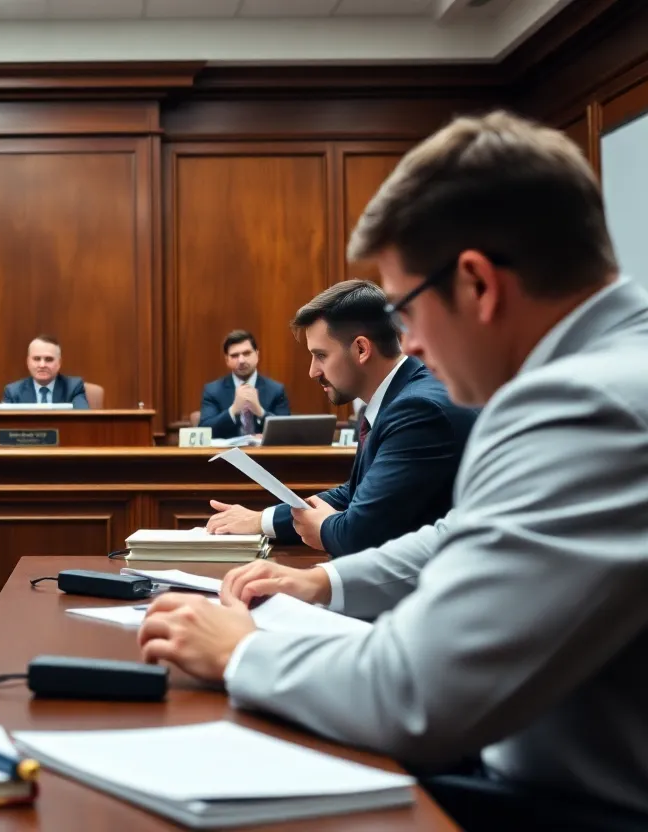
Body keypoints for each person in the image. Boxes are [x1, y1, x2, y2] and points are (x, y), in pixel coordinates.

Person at [138, 111, 648, 828]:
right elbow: (468, 530)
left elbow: (420, 694)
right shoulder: (610, 371)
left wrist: (241, 654)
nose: (407, 343)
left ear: (477, 285)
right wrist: (325, 581)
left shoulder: (583, 404)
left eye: (406, 311)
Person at [206, 281, 476, 556]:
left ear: (361, 349)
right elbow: (355, 493)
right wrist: (261, 520)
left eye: (320, 355)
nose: (313, 371)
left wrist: (323, 526)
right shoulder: (397, 397)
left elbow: (358, 534)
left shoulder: (417, 409)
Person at [198, 329, 290, 438]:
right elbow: (204, 431)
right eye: (234, 355)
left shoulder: (276, 390)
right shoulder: (213, 391)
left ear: (257, 355)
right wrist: (233, 410)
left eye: (247, 353)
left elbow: (287, 432)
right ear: (227, 360)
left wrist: (260, 412)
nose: (241, 360)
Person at [2, 335, 88, 408]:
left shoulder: (73, 388)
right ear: (28, 362)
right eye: (36, 359)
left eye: (49, 359)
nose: (42, 365)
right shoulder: (13, 392)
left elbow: (83, 419)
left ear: (59, 363)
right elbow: (5, 422)